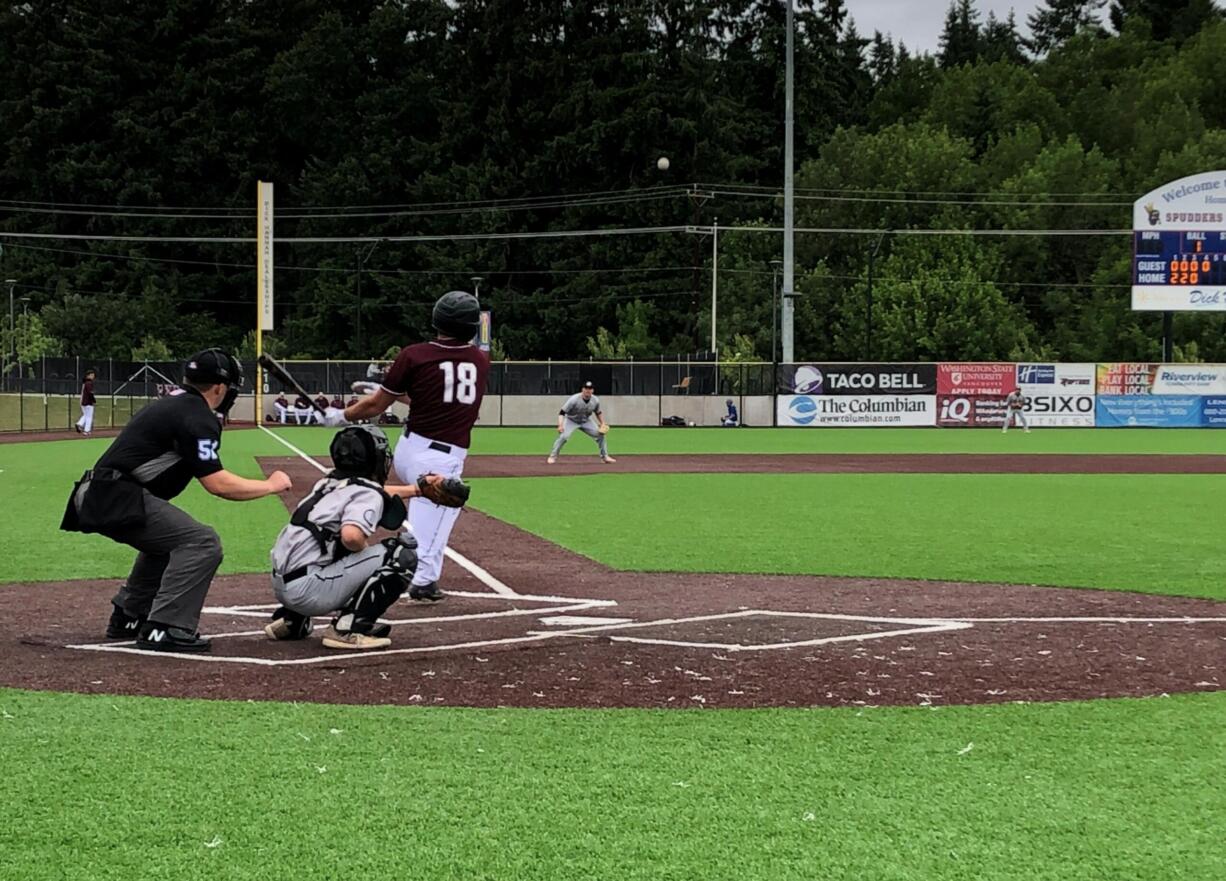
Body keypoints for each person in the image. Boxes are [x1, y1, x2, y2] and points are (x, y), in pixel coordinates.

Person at [59, 349, 292, 652]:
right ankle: (166, 626)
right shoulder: (198, 416)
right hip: (114, 496)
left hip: (98, 493)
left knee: (166, 545)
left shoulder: (175, 405)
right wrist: (270, 485)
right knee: (202, 542)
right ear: (220, 388)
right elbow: (218, 484)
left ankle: (130, 615)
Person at [324, 290, 488, 603]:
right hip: (441, 457)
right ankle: (406, 585)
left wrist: (340, 415)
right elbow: (446, 402)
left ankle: (420, 578)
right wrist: (387, 394)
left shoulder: (414, 354)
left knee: (434, 521)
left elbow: (376, 406)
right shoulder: (480, 361)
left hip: (408, 449)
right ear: (470, 327)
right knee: (431, 533)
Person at [267, 425, 421, 650]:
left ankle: (293, 622)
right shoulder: (367, 493)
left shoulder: (327, 483)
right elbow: (351, 536)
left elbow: (375, 492)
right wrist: (363, 557)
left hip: (283, 585)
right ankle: (346, 629)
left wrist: (417, 490)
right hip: (309, 592)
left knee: (327, 544)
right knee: (401, 554)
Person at [547, 381, 614, 464]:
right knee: (564, 436)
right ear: (582, 389)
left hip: (586, 421)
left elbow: (598, 412)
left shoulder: (595, 400)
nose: (588, 390)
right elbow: (562, 412)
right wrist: (560, 425)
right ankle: (552, 456)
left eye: (590, 389)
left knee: (601, 435)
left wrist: (602, 423)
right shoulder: (574, 399)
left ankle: (604, 457)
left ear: (592, 390)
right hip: (571, 420)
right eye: (586, 388)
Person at [74, 368, 97, 435]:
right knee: (89, 416)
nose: (93, 376)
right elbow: (90, 393)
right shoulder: (89, 383)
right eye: (92, 375)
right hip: (88, 402)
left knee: (86, 415)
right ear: (88, 376)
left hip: (83, 402)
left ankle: (79, 424)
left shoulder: (85, 383)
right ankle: (86, 430)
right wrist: (94, 400)